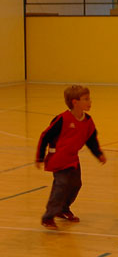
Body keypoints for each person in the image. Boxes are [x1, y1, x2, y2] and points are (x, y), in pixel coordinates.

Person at [37, 85, 106, 229]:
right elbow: (45, 136)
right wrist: (40, 156)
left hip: (73, 159)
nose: (90, 102)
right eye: (86, 99)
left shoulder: (87, 120)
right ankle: (48, 217)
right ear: (75, 102)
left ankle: (63, 209)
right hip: (59, 158)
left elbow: (91, 140)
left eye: (89, 99)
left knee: (76, 185)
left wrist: (98, 154)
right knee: (61, 186)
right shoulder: (62, 119)